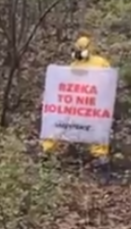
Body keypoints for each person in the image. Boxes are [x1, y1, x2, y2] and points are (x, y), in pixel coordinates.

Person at [41, 33, 112, 162]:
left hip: (94, 103)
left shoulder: (100, 62)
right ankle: (47, 149)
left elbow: (109, 81)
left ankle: (100, 154)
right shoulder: (74, 65)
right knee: (59, 122)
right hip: (76, 103)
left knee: (97, 127)